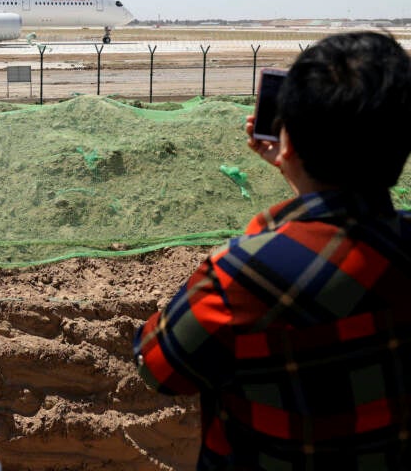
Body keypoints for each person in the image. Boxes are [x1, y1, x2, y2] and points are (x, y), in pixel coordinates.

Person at [134, 31, 411, 469]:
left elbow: (158, 368)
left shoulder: (242, 276)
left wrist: (281, 205)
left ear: (288, 145)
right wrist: (300, 173)